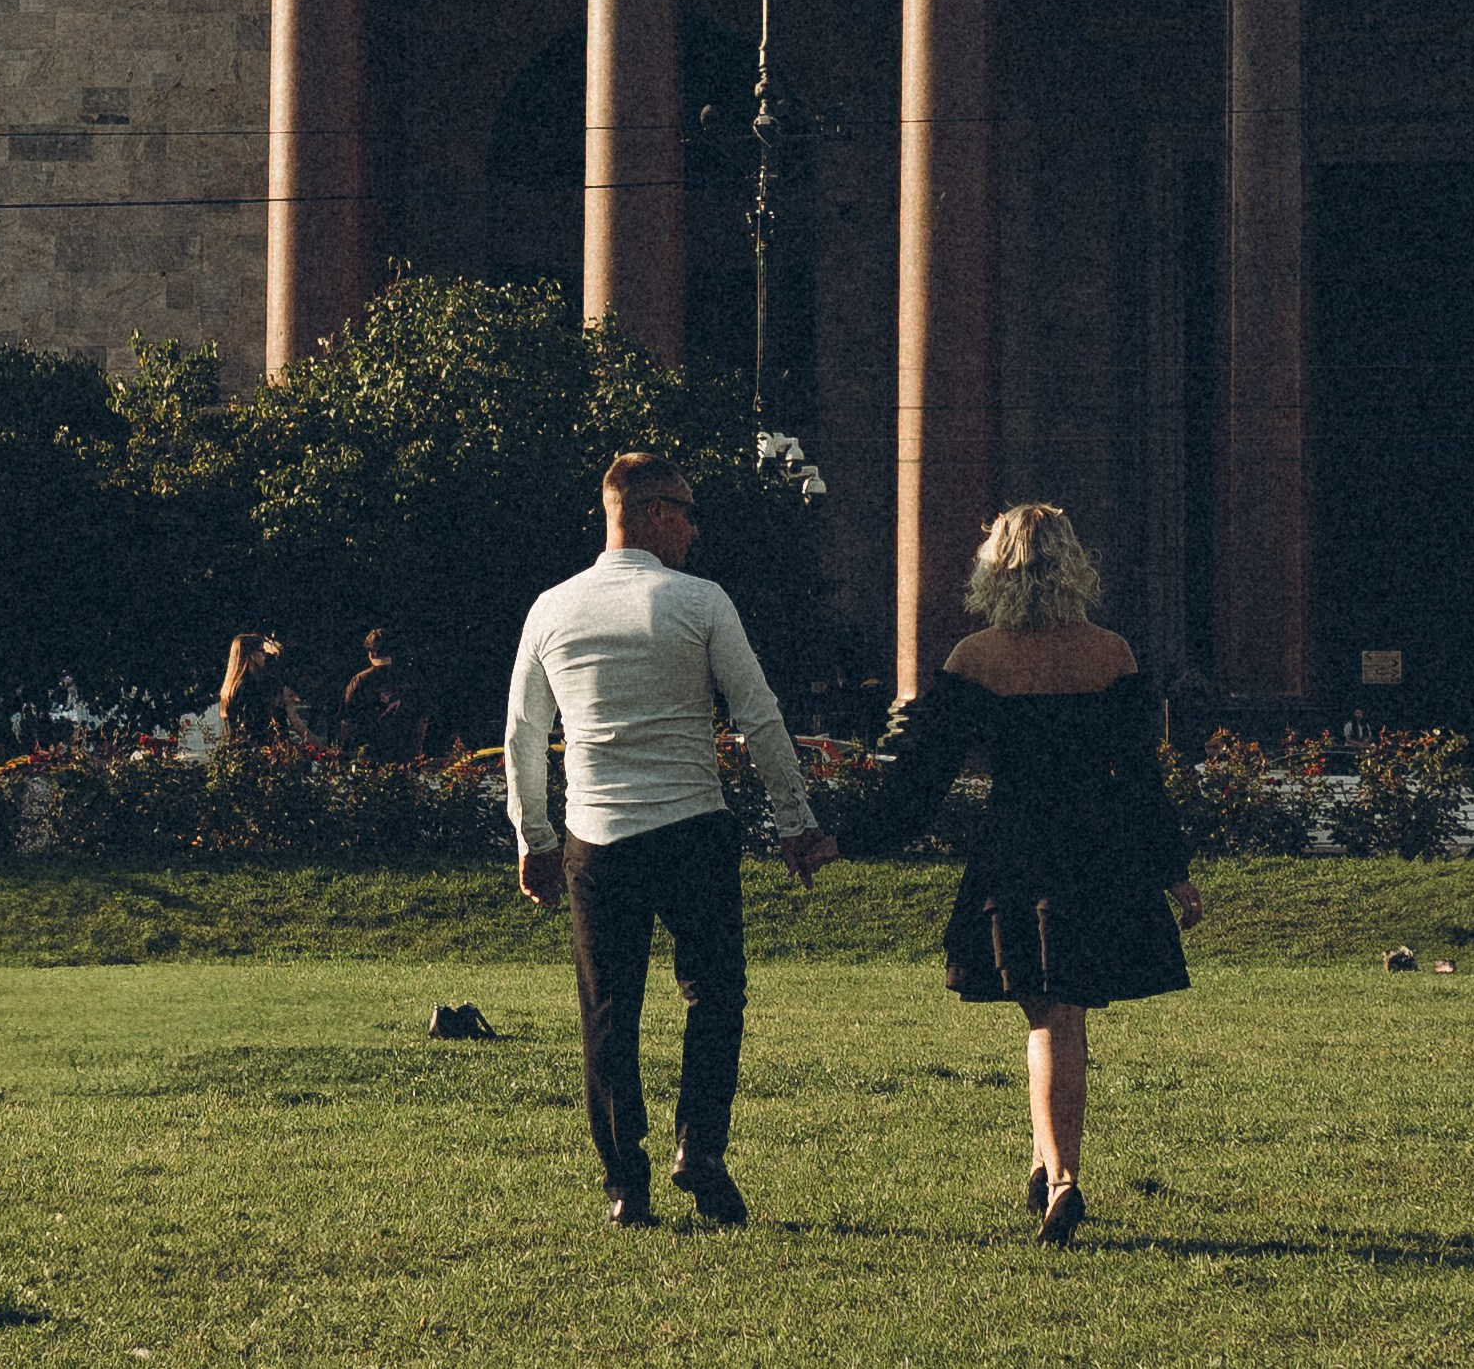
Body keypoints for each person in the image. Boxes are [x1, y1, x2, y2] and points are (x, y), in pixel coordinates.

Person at [838, 504, 1202, 1246]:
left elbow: (920, 783)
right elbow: (1139, 777)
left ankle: (1061, 1175)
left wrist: (843, 839)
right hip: (1096, 846)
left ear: (992, 568)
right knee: (1060, 1012)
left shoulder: (975, 656)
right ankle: (1045, 1161)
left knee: (1048, 1013)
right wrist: (1172, 870)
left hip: (1017, 846)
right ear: (1073, 565)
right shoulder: (1112, 653)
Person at [505, 451, 839, 1230]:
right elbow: (757, 713)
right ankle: (702, 1144)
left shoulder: (552, 608)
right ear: (650, 511)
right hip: (693, 827)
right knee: (715, 993)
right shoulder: (699, 600)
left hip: (597, 838)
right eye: (687, 510)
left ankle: (627, 1184)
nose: (694, 526)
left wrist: (535, 837)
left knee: (608, 1010)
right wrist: (796, 821)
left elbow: (524, 736)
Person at [339, 628, 431, 764]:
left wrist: (345, 750)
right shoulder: (411, 679)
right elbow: (422, 719)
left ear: (371, 652)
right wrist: (416, 751)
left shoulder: (359, 681)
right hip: (403, 755)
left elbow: (348, 720)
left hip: (369, 755)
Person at [218, 631, 293, 748]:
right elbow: (256, 723)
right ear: (251, 655)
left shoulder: (233, 686)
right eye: (261, 651)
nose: (265, 655)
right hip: (250, 750)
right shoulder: (248, 686)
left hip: (235, 750)